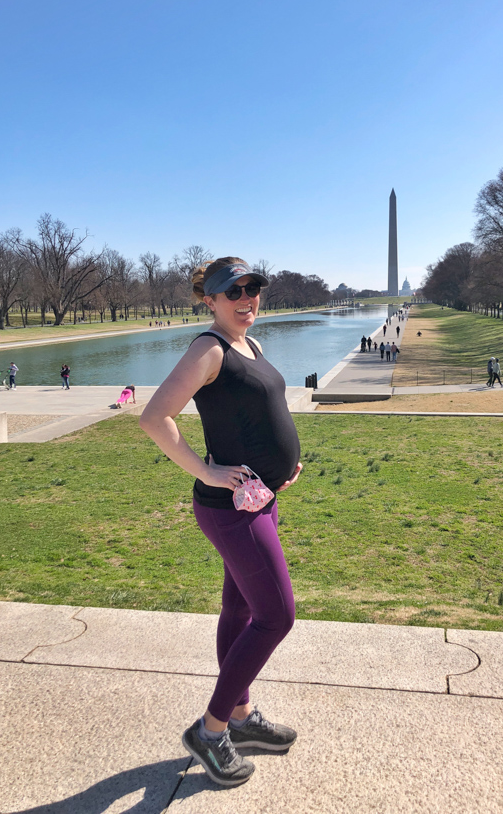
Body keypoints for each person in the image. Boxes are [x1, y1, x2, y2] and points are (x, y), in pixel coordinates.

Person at [140, 257, 301, 788]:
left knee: (240, 609)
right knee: (276, 616)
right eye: (234, 292)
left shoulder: (250, 344)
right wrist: (207, 471)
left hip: (260, 499)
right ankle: (210, 732)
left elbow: (255, 415)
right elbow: (155, 418)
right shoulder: (209, 349)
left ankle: (240, 716)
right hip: (231, 510)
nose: (247, 298)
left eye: (253, 288)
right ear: (210, 300)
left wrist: (282, 467)